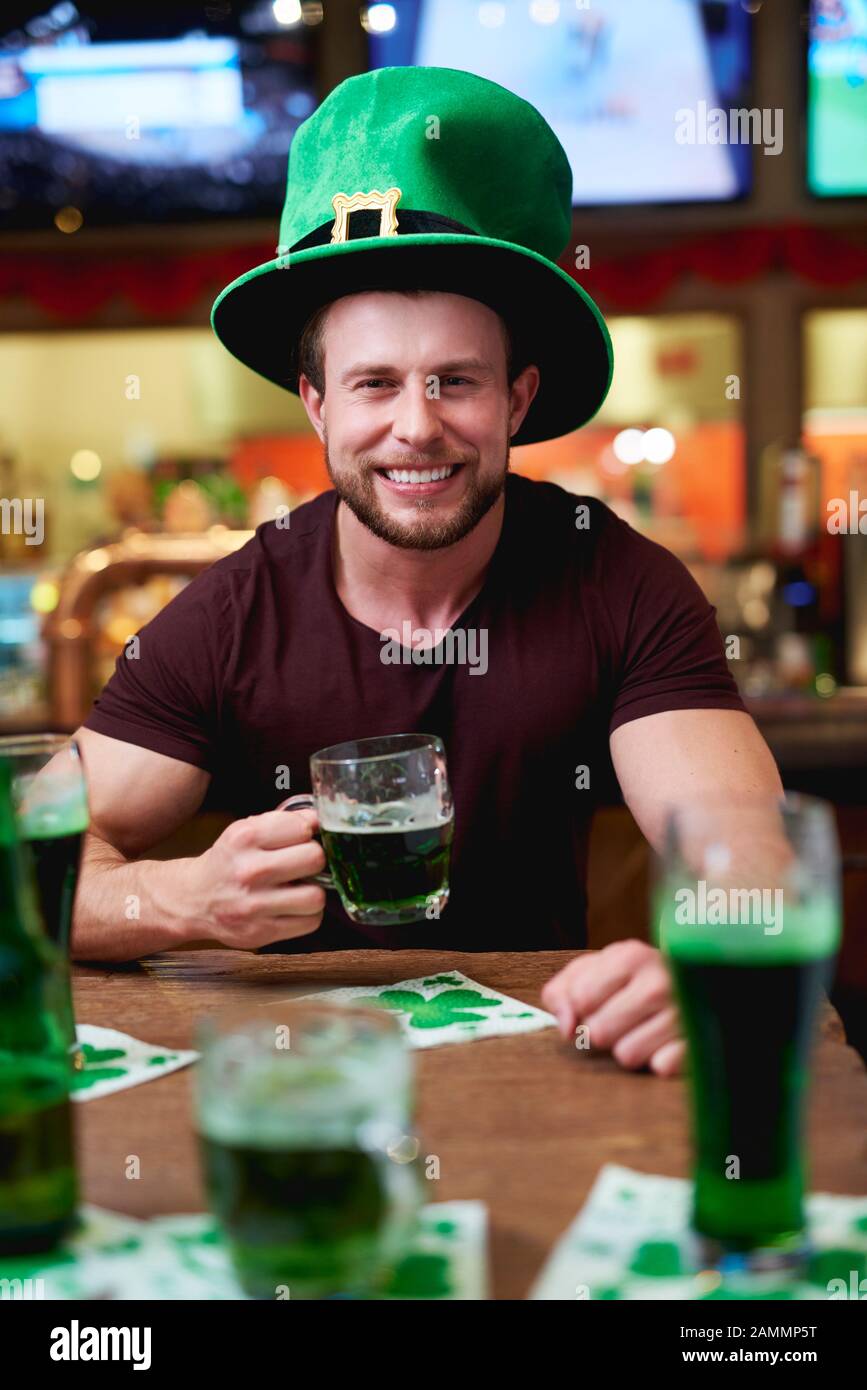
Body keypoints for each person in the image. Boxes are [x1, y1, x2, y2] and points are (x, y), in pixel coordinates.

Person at [72, 67, 782, 1077]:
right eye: (375, 384)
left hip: (551, 1087)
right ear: (317, 405)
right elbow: (27, 866)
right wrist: (179, 901)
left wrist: (708, 961)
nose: (416, 425)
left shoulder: (621, 582)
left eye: (455, 379)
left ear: (518, 400)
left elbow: (748, 852)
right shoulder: (233, 610)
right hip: (291, 1087)